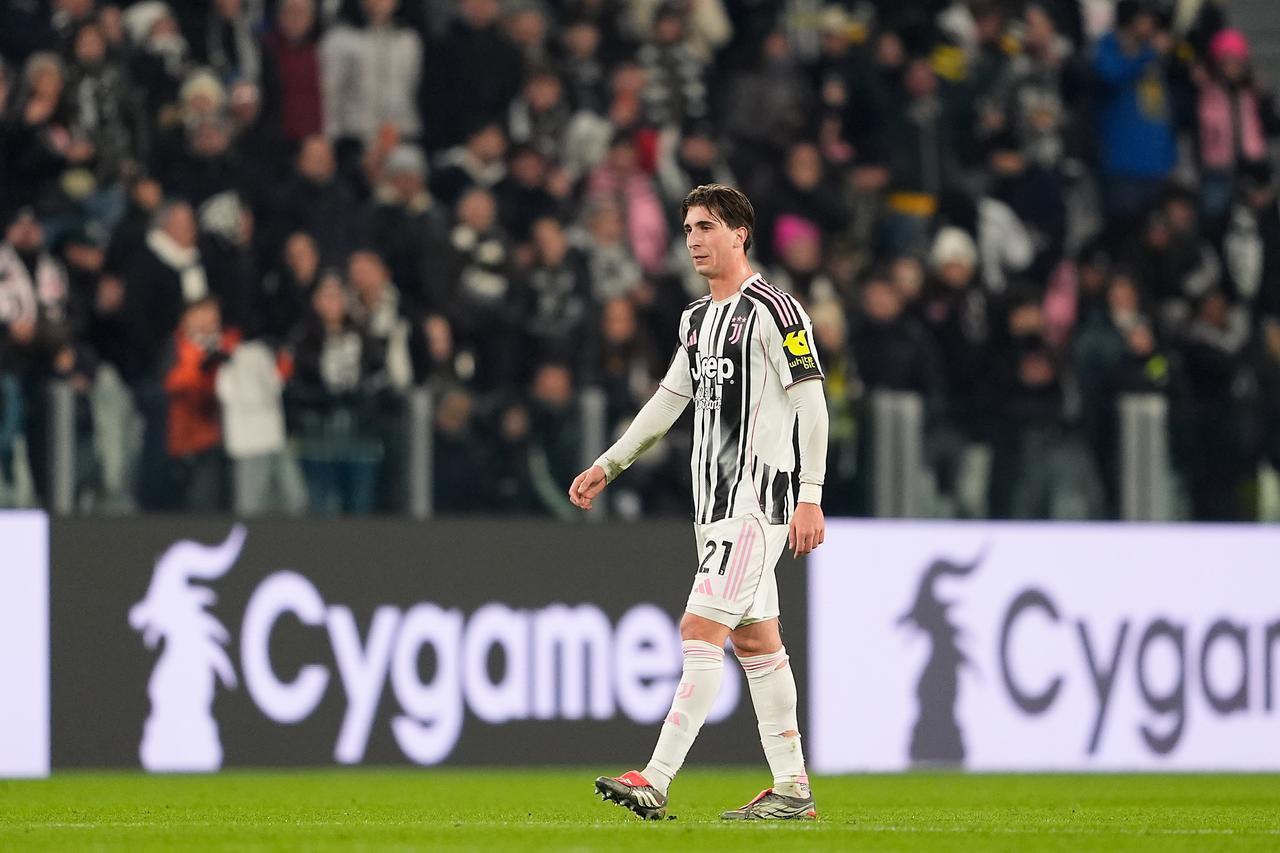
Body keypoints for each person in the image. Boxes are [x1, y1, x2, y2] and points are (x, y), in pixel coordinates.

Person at [569, 183, 827, 820]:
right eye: (687, 229)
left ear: (740, 234)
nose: (693, 240)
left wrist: (810, 496)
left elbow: (811, 403)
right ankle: (792, 788)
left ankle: (654, 780)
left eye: (707, 227)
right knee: (758, 644)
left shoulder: (777, 311)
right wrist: (609, 463)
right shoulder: (695, 320)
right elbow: (668, 402)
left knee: (698, 630)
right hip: (711, 507)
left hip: (756, 503)